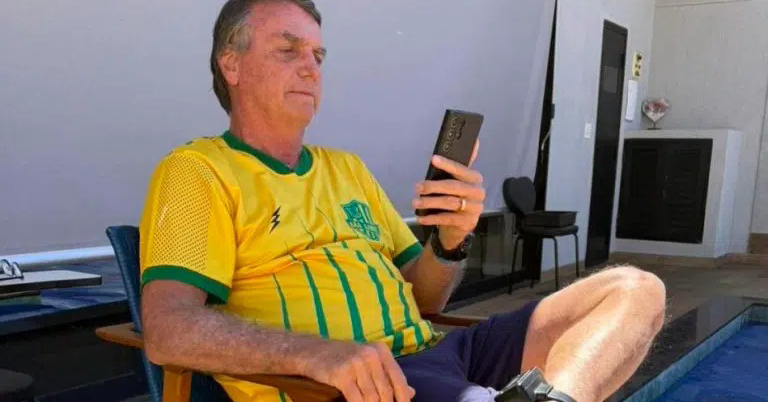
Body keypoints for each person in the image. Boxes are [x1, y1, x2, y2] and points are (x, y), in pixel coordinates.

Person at [137, 1, 667, 401]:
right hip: (362, 385)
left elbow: (425, 300)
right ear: (231, 65)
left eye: (318, 55)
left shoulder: (347, 169)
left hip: (441, 351)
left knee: (632, 289)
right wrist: (316, 355)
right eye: (287, 50)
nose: (311, 68)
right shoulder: (199, 171)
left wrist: (451, 241)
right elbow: (167, 330)